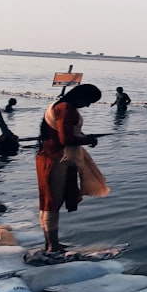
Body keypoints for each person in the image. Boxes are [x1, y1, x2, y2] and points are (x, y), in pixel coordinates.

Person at [36, 84, 106, 253]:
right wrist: (89, 140)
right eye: (89, 101)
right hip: (56, 158)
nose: (88, 105)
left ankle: (51, 243)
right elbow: (66, 138)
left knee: (49, 201)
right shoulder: (66, 108)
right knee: (52, 202)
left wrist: (84, 138)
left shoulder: (59, 106)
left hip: (50, 155)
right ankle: (52, 246)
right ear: (80, 96)